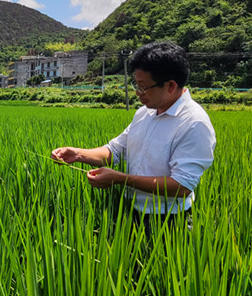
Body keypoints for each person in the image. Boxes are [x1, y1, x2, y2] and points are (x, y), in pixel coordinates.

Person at [51, 42, 216, 230]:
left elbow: (182, 185)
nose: (138, 93)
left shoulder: (194, 123)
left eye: (143, 87)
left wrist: (120, 179)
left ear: (170, 86)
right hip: (130, 213)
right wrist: (78, 154)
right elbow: (115, 151)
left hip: (169, 221)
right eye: (136, 85)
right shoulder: (144, 113)